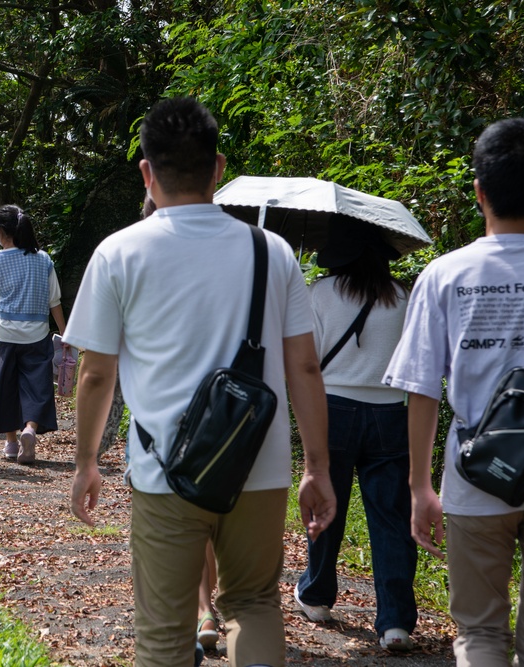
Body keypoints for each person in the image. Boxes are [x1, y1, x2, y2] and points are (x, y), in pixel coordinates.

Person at [64, 97, 336, 667]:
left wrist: (87, 460)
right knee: (255, 603)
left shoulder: (119, 253)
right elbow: (305, 368)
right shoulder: (272, 252)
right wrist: (317, 466)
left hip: (165, 471)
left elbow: (95, 373)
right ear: (218, 167)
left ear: (146, 170)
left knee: (163, 634)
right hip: (258, 467)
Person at [383, 118, 524, 666]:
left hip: (476, 477)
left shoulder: (444, 275)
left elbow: (421, 390)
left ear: (479, 190)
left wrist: (418, 487)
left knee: (480, 635)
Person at [294, 217, 417, 651]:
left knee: (328, 505)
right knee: (391, 518)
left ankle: (317, 595)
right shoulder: (404, 296)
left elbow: (307, 359)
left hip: (333, 410)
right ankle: (396, 622)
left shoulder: (322, 293)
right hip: (390, 412)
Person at [0, 205, 67, 464]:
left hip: (5, 331)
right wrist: (66, 334)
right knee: (37, 385)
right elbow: (54, 301)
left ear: (0, 231)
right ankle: (30, 429)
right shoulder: (43, 259)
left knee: (5, 384)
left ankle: (10, 443)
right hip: (37, 332)